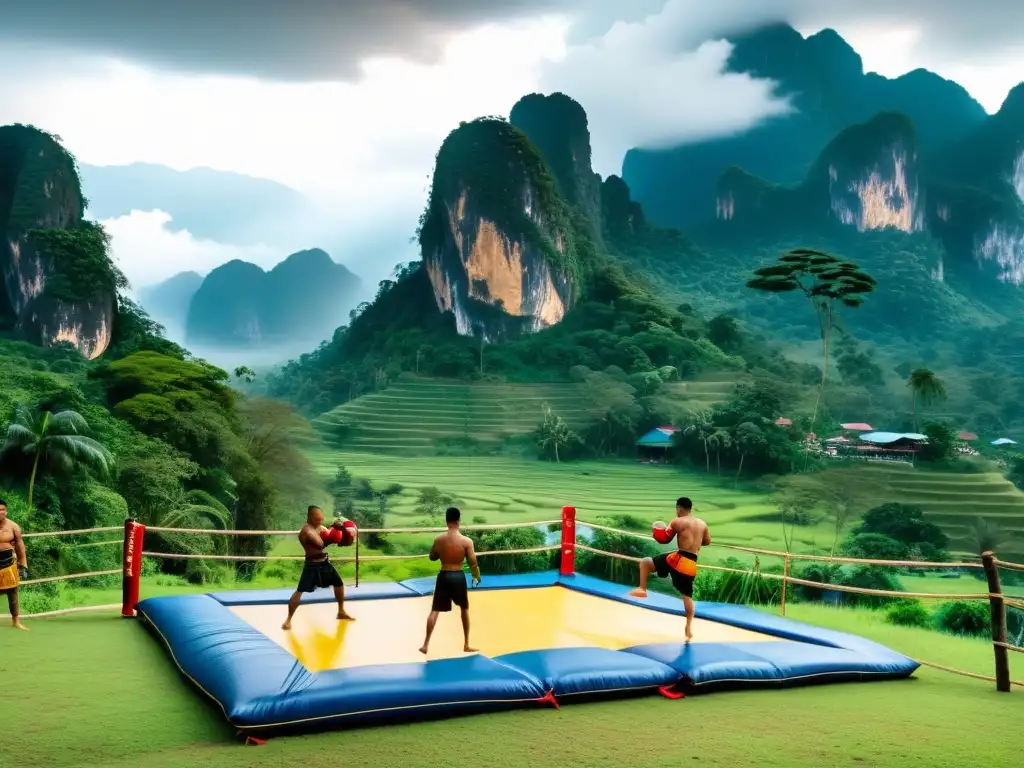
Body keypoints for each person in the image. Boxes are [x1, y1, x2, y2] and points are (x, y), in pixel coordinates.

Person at [629, 497, 710, 642]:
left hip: (678, 560)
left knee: (646, 562)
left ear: (679, 508)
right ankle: (689, 628)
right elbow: (707, 541)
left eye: (677, 509)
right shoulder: (702, 524)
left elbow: (665, 539)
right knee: (687, 596)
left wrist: (656, 533)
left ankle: (642, 588)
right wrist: (695, 539)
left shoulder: (677, 521)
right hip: (691, 563)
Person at [419, 507, 480, 655]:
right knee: (464, 609)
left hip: (444, 574)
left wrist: (440, 551)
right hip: (458, 576)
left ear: (447, 521)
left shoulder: (439, 540)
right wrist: (476, 575)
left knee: (435, 611)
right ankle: (466, 644)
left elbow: (432, 557)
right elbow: (473, 562)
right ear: (458, 521)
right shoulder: (466, 541)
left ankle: (425, 644)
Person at [282, 505, 354, 630]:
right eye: (317, 518)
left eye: (321, 518)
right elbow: (320, 544)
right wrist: (333, 529)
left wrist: (343, 533)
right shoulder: (307, 530)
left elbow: (334, 540)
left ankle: (341, 611)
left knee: (339, 584)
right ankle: (288, 621)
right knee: (300, 591)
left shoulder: (320, 527)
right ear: (310, 517)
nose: (320, 520)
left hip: (324, 563)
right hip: (312, 566)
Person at [0, 498, 30, 631]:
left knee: (13, 593)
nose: (0, 512)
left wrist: (24, 565)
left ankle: (16, 621)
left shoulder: (13, 526)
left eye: (2, 509)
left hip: (9, 564)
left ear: (6, 511)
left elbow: (20, 546)